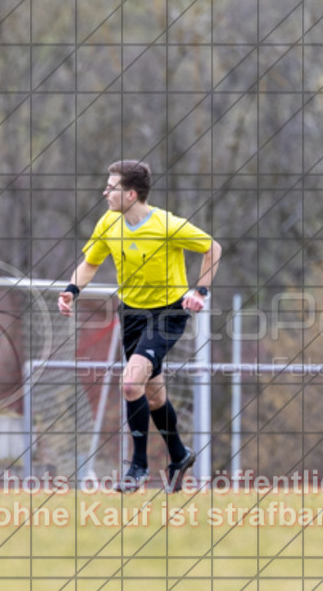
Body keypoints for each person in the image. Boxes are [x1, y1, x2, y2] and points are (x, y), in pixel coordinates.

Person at [58, 160, 222, 492]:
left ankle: (138, 467)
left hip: (167, 313)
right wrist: (71, 290)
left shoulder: (166, 224)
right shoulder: (108, 223)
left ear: (131, 194)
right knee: (153, 393)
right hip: (131, 314)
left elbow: (212, 249)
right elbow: (90, 264)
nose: (105, 191)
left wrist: (201, 291)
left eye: (112, 187)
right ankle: (179, 455)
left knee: (131, 384)